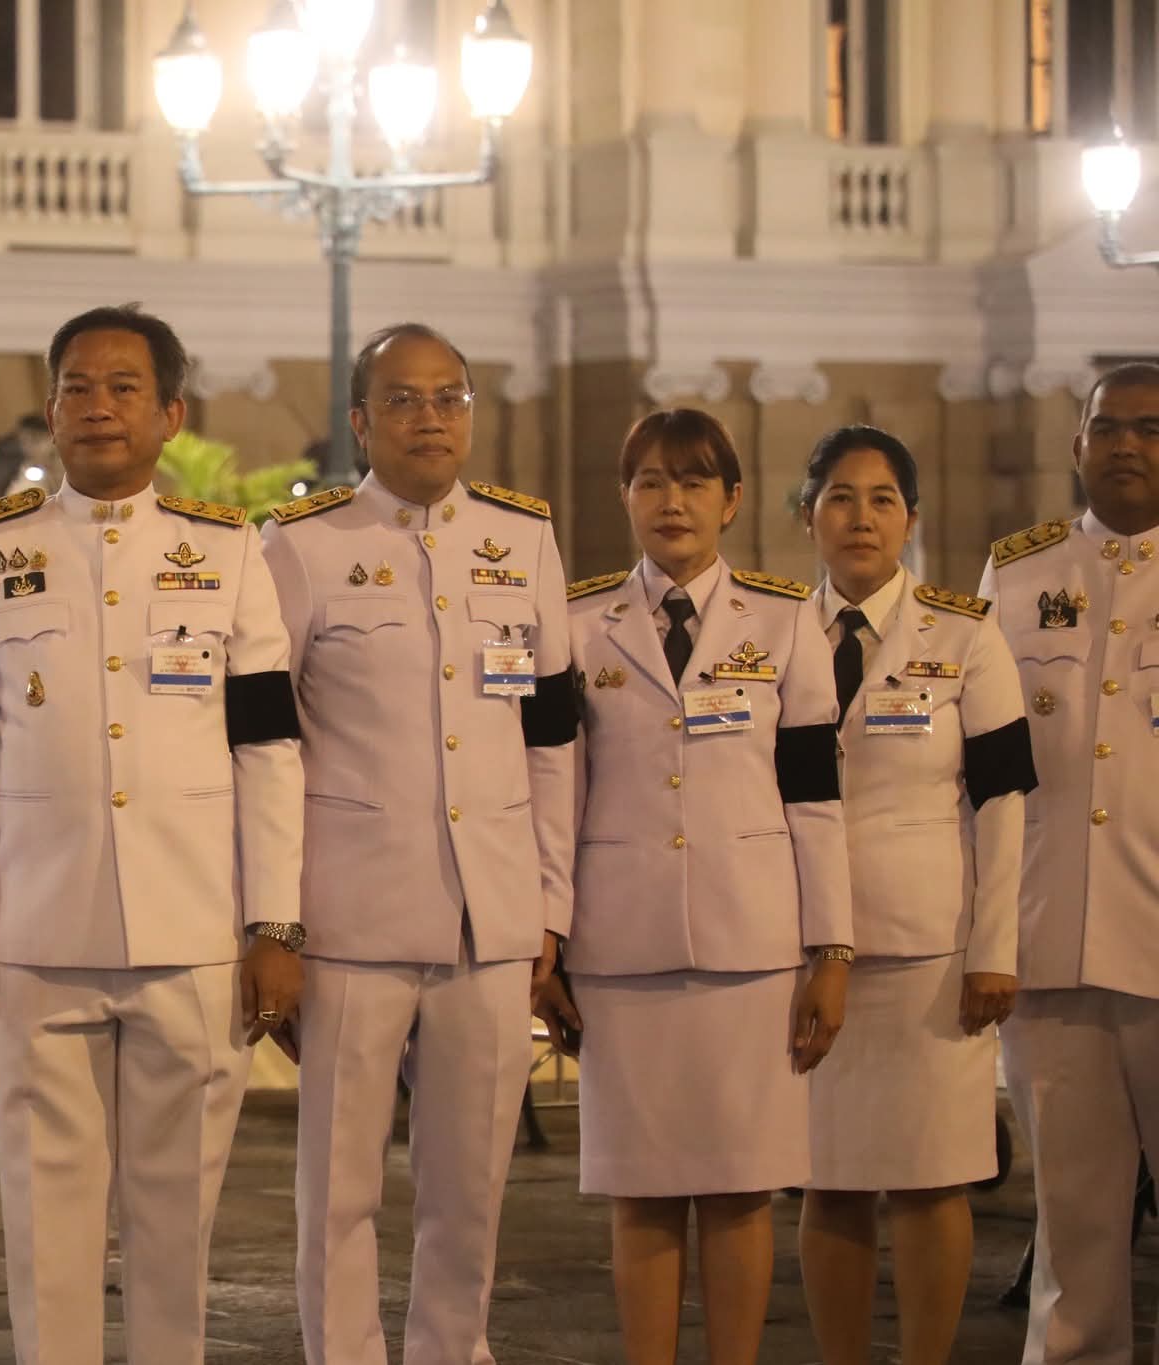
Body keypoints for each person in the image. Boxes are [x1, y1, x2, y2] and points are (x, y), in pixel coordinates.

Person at [0, 304, 307, 1365]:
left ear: (168, 413)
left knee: (174, 1232)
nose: (96, 406)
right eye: (75, 387)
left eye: (121, 387)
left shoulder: (227, 554)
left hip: (192, 934)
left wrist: (272, 920)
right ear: (49, 411)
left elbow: (267, 749)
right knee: (41, 1230)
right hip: (36, 937)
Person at [260, 324, 577, 1365]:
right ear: (360, 421)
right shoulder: (303, 546)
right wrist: (274, 919)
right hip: (349, 912)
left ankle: (453, 1350)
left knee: (469, 1186)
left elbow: (548, 740)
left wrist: (548, 906)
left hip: (488, 914)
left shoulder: (523, 540)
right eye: (403, 398)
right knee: (338, 1188)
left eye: (449, 397)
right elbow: (264, 746)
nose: (430, 416)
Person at [550, 407, 853, 1365]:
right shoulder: (576, 622)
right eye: (649, 481)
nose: (670, 501)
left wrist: (831, 948)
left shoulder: (785, 617)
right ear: (625, 497)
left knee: (738, 1184)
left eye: (692, 481)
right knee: (640, 1188)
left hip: (749, 944)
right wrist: (545, 942)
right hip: (622, 943)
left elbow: (815, 794)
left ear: (731, 498)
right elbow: (555, 795)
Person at [795, 425, 1036, 1365]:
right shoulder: (771, 633)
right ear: (807, 513)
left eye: (882, 498)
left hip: (934, 956)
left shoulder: (967, 635)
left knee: (933, 1180)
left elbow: (1005, 799)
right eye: (841, 497)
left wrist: (996, 947)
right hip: (812, 953)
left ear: (913, 519)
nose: (861, 517)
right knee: (832, 1180)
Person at [980, 361, 1159, 1364]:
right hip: (1049, 948)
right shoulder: (1016, 577)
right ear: (1075, 443)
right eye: (1107, 426)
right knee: (1073, 1229)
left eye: (1148, 427)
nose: (1125, 444)